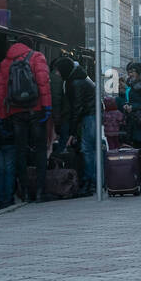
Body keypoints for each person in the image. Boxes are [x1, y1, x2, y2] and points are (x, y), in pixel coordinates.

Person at [0, 38, 52, 202]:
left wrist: (2, 117)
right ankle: (41, 191)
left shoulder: (5, 62)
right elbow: (44, 84)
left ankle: (25, 192)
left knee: (20, 151)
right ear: (30, 46)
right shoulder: (37, 57)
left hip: (15, 112)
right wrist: (47, 107)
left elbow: (0, 92)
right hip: (36, 109)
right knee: (40, 150)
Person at [54, 56, 98, 197]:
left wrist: (72, 133)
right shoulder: (78, 77)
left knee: (87, 150)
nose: (56, 74)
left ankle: (90, 183)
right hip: (90, 115)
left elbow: (77, 108)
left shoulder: (76, 82)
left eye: (58, 71)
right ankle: (94, 182)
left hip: (89, 116)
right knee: (90, 149)